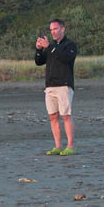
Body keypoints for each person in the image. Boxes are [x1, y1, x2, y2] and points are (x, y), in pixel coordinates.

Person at [35, 19, 78, 155]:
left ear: (62, 29)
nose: (53, 32)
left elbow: (66, 58)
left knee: (66, 115)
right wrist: (38, 49)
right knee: (53, 116)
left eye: (56, 29)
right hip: (50, 86)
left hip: (64, 85)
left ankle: (70, 146)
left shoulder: (70, 45)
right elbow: (39, 61)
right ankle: (58, 146)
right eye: (51, 29)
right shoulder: (51, 46)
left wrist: (49, 47)